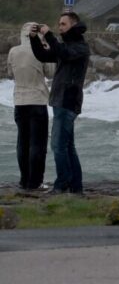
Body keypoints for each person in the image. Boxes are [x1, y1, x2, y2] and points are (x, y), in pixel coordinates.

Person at [30, 11, 90, 195]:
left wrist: (48, 34)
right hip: (61, 101)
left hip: (67, 101)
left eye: (63, 24)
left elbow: (63, 53)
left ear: (73, 25)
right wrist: (34, 38)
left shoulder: (80, 47)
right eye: (59, 24)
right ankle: (76, 187)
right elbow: (43, 55)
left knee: (58, 146)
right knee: (67, 147)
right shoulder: (67, 46)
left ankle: (62, 184)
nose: (59, 27)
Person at [8, 22, 54, 190]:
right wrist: (47, 47)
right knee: (37, 144)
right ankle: (35, 182)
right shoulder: (40, 50)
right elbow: (50, 73)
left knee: (22, 142)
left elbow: (10, 74)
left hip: (19, 101)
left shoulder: (13, 51)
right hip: (37, 100)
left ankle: (24, 180)